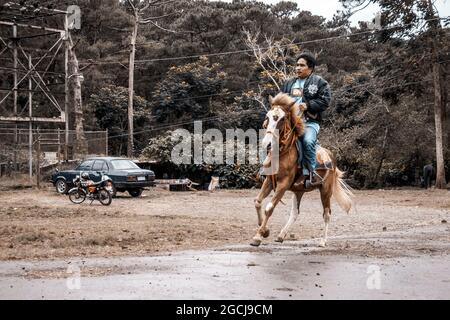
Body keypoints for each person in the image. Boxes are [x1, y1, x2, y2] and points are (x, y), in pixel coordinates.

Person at [281, 52, 332, 188]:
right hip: (290, 124)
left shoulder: (320, 82)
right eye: (297, 65)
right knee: (271, 138)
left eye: (301, 65)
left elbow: (325, 101)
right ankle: (266, 170)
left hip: (309, 123)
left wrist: (308, 105)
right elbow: (280, 101)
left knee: (308, 141)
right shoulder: (288, 83)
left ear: (310, 68)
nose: (298, 68)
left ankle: (310, 173)